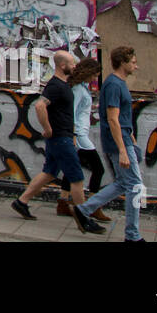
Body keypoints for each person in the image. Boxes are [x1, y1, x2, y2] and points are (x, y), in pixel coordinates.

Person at [11, 50, 106, 234]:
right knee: (77, 178)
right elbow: (40, 106)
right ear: (63, 66)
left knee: (49, 173)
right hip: (61, 138)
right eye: (72, 63)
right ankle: (83, 218)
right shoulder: (55, 86)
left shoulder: (63, 85)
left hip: (61, 138)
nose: (75, 66)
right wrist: (47, 129)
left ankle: (21, 202)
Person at [76, 45, 145, 242]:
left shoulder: (117, 83)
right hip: (118, 142)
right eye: (132, 62)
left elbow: (120, 118)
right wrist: (123, 149)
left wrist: (129, 135)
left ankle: (83, 209)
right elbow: (113, 119)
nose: (136, 66)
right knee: (135, 186)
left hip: (123, 139)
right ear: (122, 63)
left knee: (125, 183)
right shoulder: (114, 84)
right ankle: (132, 236)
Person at [56, 57, 110, 222]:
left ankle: (63, 202)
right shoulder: (78, 89)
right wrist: (72, 135)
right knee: (99, 169)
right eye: (94, 75)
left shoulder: (82, 88)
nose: (95, 79)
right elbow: (70, 113)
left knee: (72, 167)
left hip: (80, 134)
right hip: (79, 136)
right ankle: (93, 206)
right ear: (87, 72)